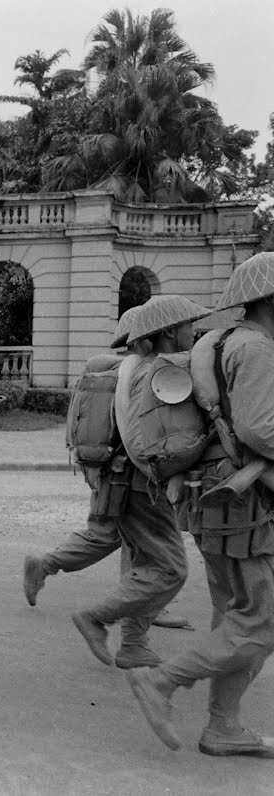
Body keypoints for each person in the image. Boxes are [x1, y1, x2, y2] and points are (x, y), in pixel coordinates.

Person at [127, 252, 274, 756]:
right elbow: (258, 428)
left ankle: (223, 725)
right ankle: (163, 681)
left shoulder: (223, 341)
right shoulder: (256, 349)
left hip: (219, 499)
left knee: (235, 615)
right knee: (260, 622)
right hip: (244, 504)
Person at [23, 307, 189, 635]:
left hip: (110, 473)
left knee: (122, 539)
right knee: (114, 537)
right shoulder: (136, 373)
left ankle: (140, 611)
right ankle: (48, 566)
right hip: (127, 476)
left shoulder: (112, 372)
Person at [70, 296, 204, 671]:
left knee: (147, 563)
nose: (191, 332)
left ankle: (133, 644)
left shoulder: (143, 368)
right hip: (140, 484)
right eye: (186, 326)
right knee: (170, 569)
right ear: (168, 332)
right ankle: (97, 617)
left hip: (129, 482)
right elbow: (163, 441)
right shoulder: (160, 373)